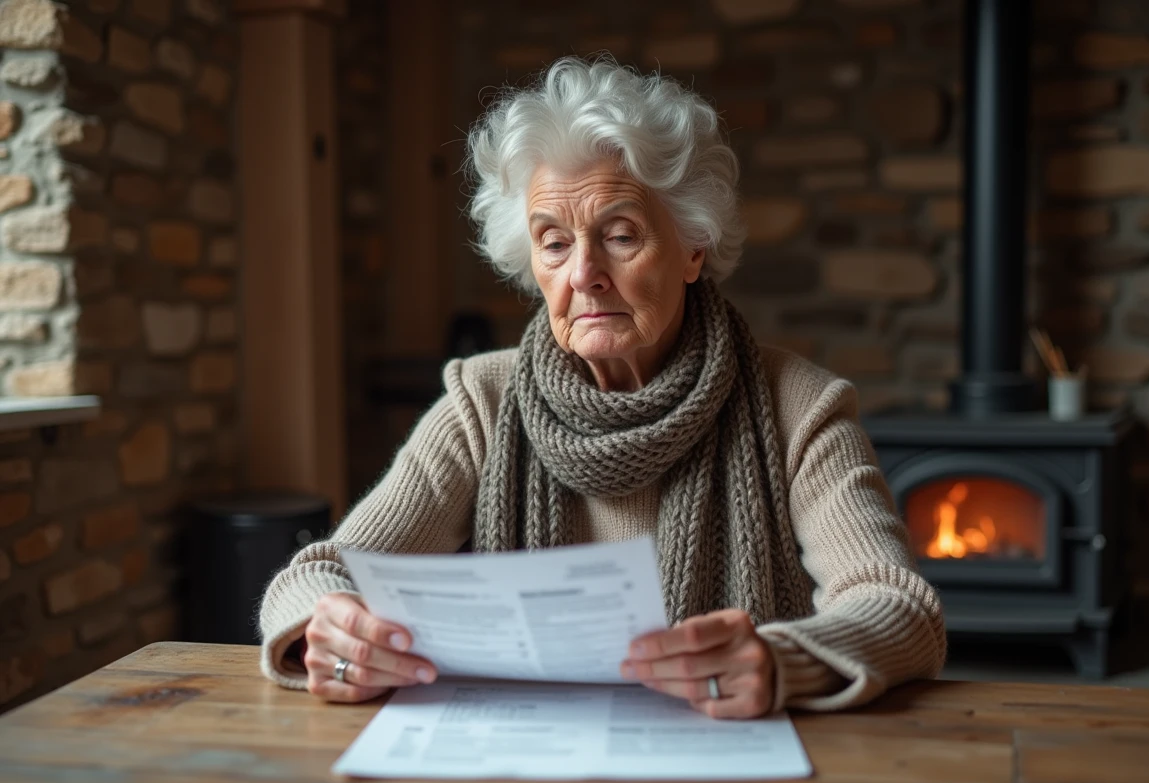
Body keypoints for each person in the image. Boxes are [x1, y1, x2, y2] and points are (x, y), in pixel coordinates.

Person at [258, 56, 945, 719]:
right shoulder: (484, 400)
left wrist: (781, 661)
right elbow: (315, 575)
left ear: (694, 247)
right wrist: (331, 632)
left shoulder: (799, 405)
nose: (583, 273)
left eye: (619, 235)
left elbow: (898, 608)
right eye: (553, 242)